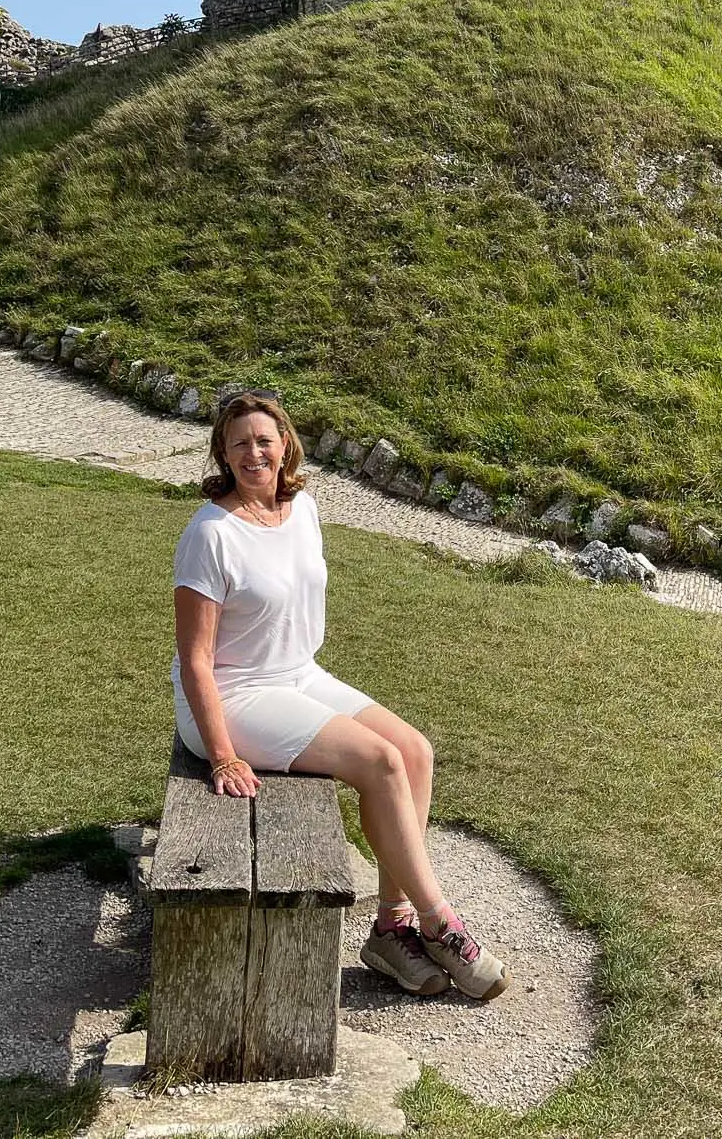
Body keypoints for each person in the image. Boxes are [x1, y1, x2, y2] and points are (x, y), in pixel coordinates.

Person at [172, 392, 509, 1002]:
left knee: (413, 751)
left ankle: (390, 926)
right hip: (235, 694)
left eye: (265, 439)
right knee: (377, 763)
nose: (254, 452)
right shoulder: (210, 534)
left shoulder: (302, 508)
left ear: (285, 446)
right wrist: (222, 755)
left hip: (296, 673)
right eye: (240, 442)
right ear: (223, 452)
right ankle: (440, 923)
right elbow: (196, 659)